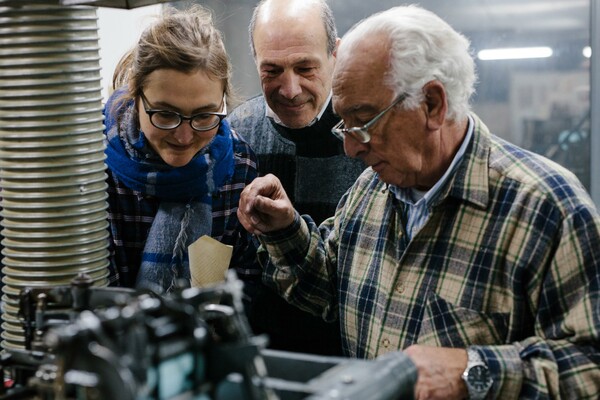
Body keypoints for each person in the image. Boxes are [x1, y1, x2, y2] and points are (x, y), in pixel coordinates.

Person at [237, 5, 600, 400]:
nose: (351, 147)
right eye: (344, 124)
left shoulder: (546, 208)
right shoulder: (370, 191)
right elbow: (327, 290)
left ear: (432, 104)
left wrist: (473, 372)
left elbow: (589, 366)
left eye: (363, 121)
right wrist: (285, 230)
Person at [226, 0, 364, 356]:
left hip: (350, 359)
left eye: (306, 68)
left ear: (336, 53)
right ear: (254, 58)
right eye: (271, 70)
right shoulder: (235, 136)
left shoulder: (368, 137)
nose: (290, 89)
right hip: (260, 356)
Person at [103, 5, 259, 297]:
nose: (185, 136)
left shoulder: (239, 164)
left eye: (204, 116)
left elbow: (244, 283)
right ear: (137, 96)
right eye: (165, 114)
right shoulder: (93, 164)